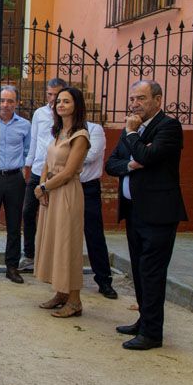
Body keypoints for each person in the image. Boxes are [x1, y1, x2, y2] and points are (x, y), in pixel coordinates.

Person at [105, 79, 187, 350]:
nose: (134, 104)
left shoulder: (169, 127)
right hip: (135, 212)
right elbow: (112, 165)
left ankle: (153, 334)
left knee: (152, 272)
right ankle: (145, 320)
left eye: (140, 98)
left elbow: (149, 158)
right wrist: (131, 162)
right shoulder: (135, 129)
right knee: (140, 271)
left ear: (158, 100)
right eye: (132, 99)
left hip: (159, 214)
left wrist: (132, 137)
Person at [34, 87, 90, 317]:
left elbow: (68, 172)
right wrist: (42, 185)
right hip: (51, 192)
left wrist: (45, 186)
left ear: (76, 104)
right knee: (54, 242)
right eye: (58, 101)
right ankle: (61, 293)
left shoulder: (80, 136)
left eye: (66, 101)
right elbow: (48, 162)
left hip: (66, 193)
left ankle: (75, 300)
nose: (61, 105)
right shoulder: (58, 132)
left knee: (68, 245)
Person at [21, 78, 66, 271]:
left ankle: (53, 258)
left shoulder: (67, 113)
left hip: (57, 173)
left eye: (57, 95)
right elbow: (33, 140)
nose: (53, 99)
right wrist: (28, 164)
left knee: (55, 217)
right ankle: (29, 255)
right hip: (38, 170)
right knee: (28, 212)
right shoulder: (40, 113)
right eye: (50, 94)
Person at [0, 85, 30, 284]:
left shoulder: (25, 125)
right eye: (2, 100)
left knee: (14, 225)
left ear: (16, 103)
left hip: (15, 179)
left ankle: (12, 267)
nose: (5, 105)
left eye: (10, 101)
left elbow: (28, 151)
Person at [81, 121, 118, 299]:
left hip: (87, 188)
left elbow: (90, 156)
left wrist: (64, 154)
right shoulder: (59, 129)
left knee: (94, 235)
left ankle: (104, 280)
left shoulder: (94, 129)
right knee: (63, 234)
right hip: (64, 185)